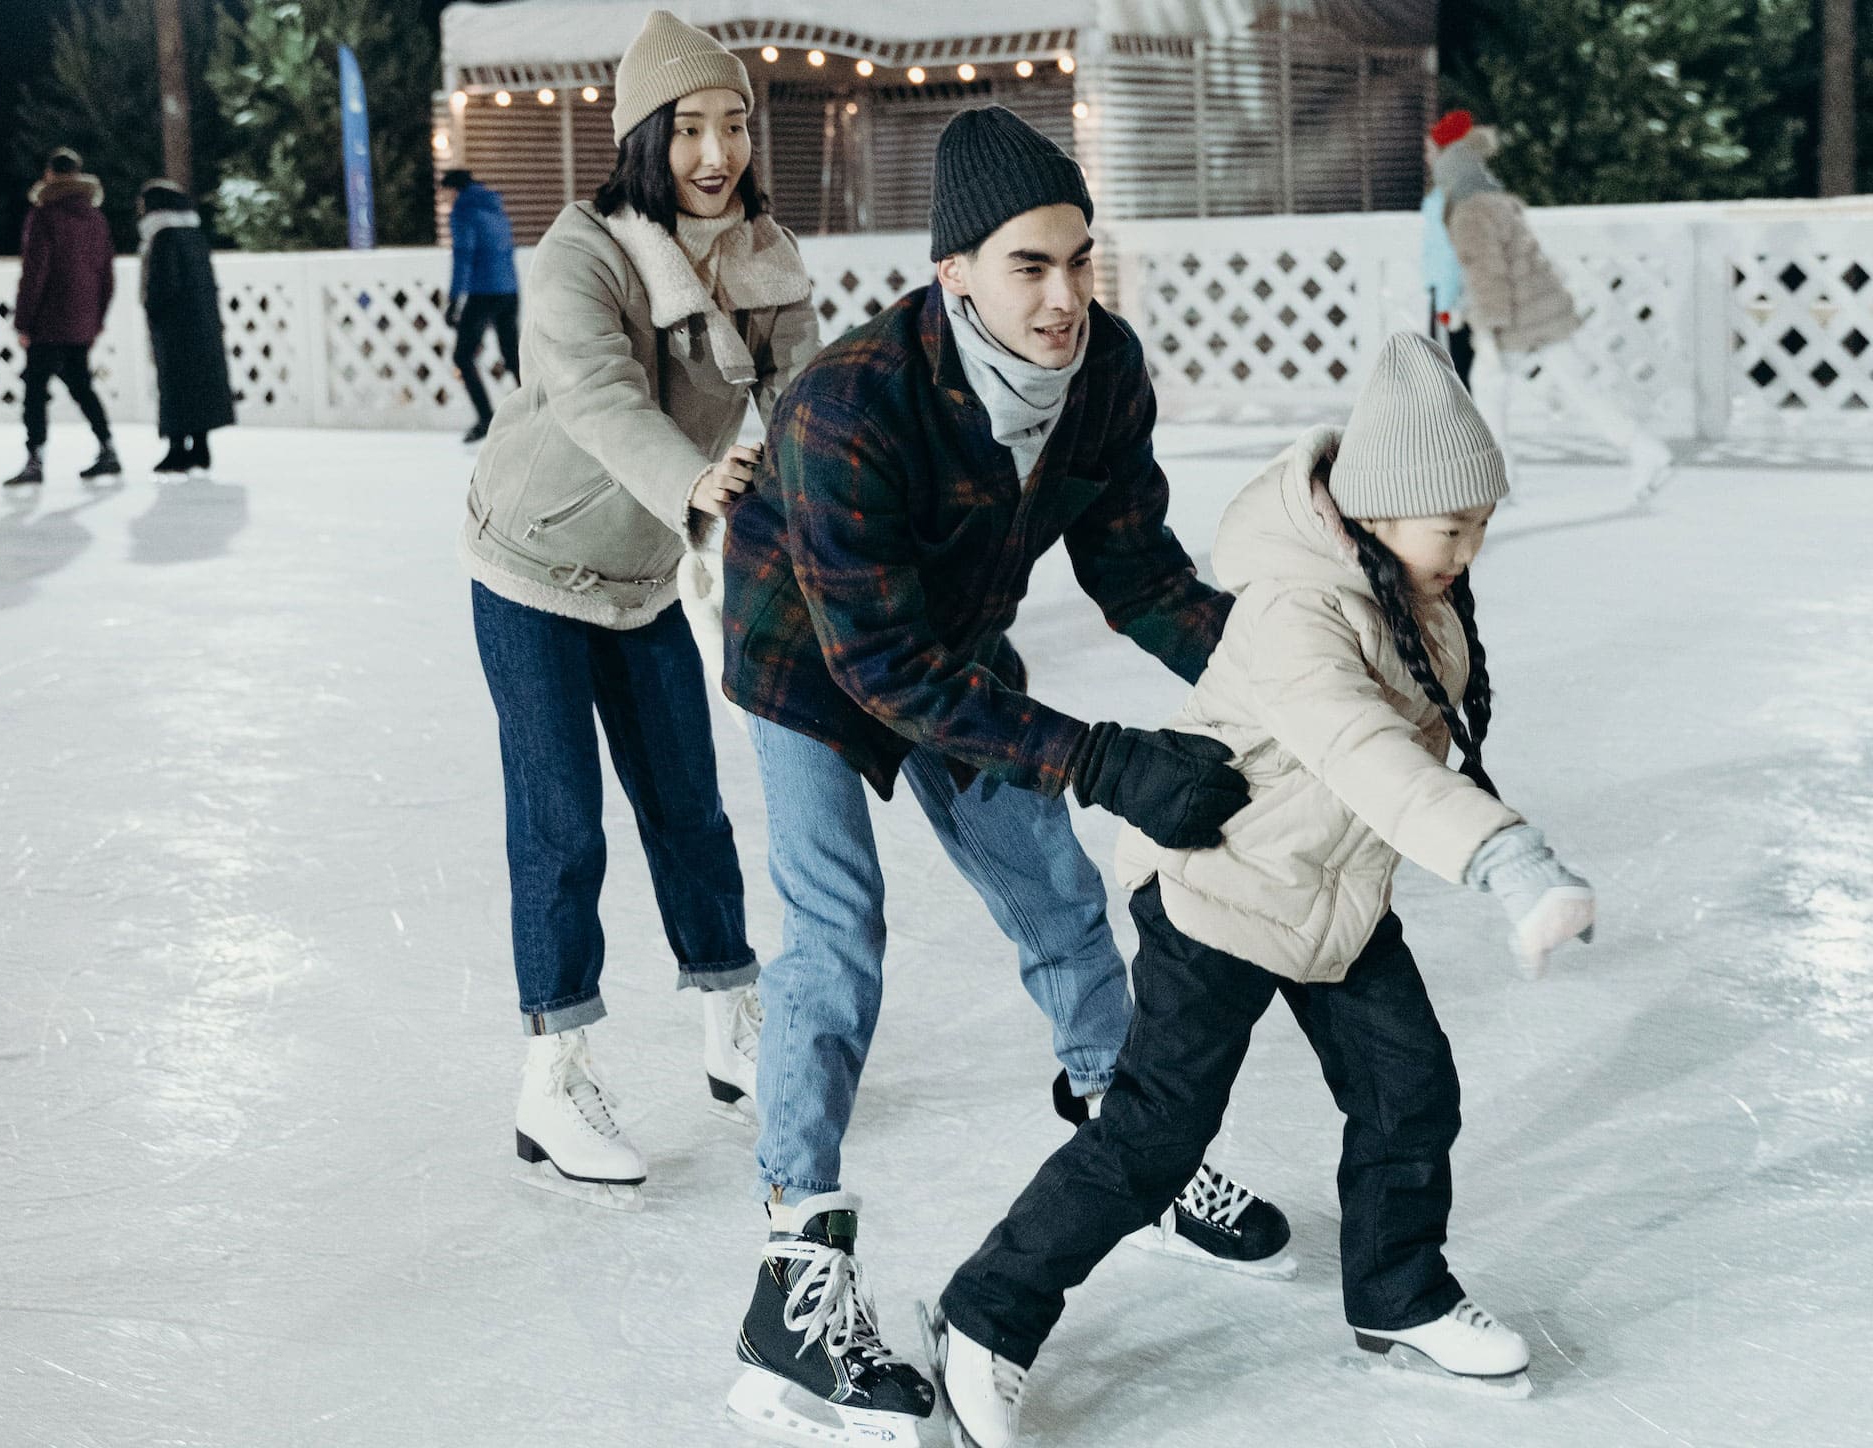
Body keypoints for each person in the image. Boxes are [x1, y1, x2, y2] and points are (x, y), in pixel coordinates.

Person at [719, 106, 1288, 1448]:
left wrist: (1282, 674)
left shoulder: (1102, 371)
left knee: (1059, 902)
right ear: (954, 272)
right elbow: (882, 671)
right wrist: (1096, 758)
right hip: (807, 655)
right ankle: (796, 1273)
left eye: (1080, 260)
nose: (1064, 295)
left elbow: (1136, 567)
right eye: (1030, 265)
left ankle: (1128, 1141)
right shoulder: (851, 406)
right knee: (832, 942)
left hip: (950, 648)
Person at [925, 334, 1599, 1448]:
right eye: (1454, 527)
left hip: (1330, 896)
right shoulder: (1299, 607)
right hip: (1224, 890)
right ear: (1379, 511)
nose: (1471, 549)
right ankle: (983, 1318)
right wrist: (1506, 858)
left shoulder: (1412, 586)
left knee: (1408, 1089)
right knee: (1154, 1135)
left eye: (1483, 524)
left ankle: (1399, 1293)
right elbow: (1369, 751)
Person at [461, 11, 818, 1209]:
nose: (715, 152)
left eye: (735, 125)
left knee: (688, 802)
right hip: (531, 563)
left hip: (642, 575)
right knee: (561, 820)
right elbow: (604, 396)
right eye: (692, 129)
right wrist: (694, 479)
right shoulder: (582, 253)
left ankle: (730, 1021)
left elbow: (809, 396)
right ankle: (551, 1074)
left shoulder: (764, 254)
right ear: (645, 135)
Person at [1430, 110, 1670, 499]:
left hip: (1520, 319)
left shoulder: (1470, 213)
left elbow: (1487, 275)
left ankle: (1497, 475)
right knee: (1576, 386)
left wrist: (1487, 331)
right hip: (1544, 309)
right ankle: (1644, 449)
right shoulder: (1497, 202)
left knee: (1489, 387)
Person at [2, 148, 119, 487]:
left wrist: (23, 322)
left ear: (50, 175)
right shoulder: (96, 219)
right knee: (81, 385)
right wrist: (97, 318)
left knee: (36, 389)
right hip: (82, 321)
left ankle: (34, 458)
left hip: (48, 321)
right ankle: (107, 447)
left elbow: (35, 273)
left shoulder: (44, 215)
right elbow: (106, 274)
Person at [137, 181, 235, 475]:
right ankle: (201, 448)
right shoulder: (194, 236)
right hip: (202, 324)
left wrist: (153, 311)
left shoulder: (163, 237)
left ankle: (177, 449)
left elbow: (162, 286)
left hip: (175, 329)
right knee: (200, 387)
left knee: (175, 387)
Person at [442, 169, 522, 444]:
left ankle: (486, 418)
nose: (446, 200)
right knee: (512, 354)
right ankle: (544, 411)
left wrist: (454, 300)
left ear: (454, 190)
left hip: (483, 292)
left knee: (462, 356)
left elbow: (463, 256)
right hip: (509, 290)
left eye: (446, 194)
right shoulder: (495, 208)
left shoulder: (464, 211)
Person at [1422, 111, 1475, 391]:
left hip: (1452, 296)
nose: (1426, 157)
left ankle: (1457, 430)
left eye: (1431, 150)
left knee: (1453, 372)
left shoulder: (1449, 198)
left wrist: (1445, 303)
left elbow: (1448, 255)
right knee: (1458, 370)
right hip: (1451, 294)